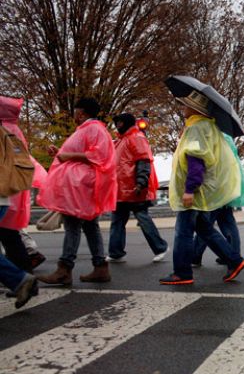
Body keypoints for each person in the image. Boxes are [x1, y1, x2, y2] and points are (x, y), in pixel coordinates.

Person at [159, 90, 244, 285]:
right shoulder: (210, 127)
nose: (183, 108)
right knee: (205, 229)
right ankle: (234, 260)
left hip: (196, 191)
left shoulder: (197, 128)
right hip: (205, 190)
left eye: (185, 104)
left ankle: (182, 273)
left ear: (195, 107)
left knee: (183, 231)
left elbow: (196, 160)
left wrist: (190, 189)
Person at [38, 97, 117, 285]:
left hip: (81, 186)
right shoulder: (88, 129)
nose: (74, 115)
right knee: (89, 225)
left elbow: (99, 155)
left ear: (81, 112)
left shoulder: (94, 129)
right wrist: (60, 152)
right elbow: (83, 154)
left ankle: (64, 269)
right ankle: (100, 267)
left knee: (72, 225)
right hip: (80, 186)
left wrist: (68, 155)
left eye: (76, 111)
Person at [106, 113, 169, 263]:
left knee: (142, 218)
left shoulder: (136, 137)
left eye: (120, 123)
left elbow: (143, 160)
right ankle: (115, 252)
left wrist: (141, 182)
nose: (118, 125)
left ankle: (160, 247)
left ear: (126, 123)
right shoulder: (121, 140)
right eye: (117, 123)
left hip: (133, 187)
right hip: (122, 189)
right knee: (118, 221)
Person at [191, 132, 244, 267]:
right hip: (227, 186)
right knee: (227, 222)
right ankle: (233, 254)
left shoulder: (213, 135)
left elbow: (212, 164)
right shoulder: (227, 138)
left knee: (205, 226)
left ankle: (197, 256)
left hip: (216, 188)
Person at [0, 96, 46, 273]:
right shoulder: (14, 130)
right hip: (14, 188)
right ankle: (23, 271)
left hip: (6, 188)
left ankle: (22, 275)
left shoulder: (4, 130)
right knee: (10, 232)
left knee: (9, 233)